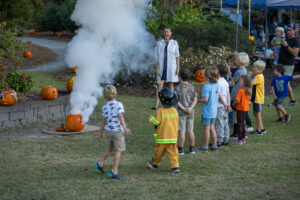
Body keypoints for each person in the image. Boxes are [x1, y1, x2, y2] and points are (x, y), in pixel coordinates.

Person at [94, 85, 132, 180]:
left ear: (105, 96)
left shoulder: (104, 107)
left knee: (110, 149)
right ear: (115, 93)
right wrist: (125, 128)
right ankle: (114, 171)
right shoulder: (119, 104)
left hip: (109, 131)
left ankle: (100, 163)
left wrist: (100, 133)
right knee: (118, 151)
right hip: (117, 132)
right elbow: (120, 116)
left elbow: (103, 120)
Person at [197, 66, 229, 152]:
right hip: (214, 111)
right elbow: (219, 96)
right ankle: (214, 145)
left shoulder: (206, 86)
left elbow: (205, 99)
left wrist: (197, 100)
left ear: (207, 76)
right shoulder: (216, 85)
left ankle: (205, 147)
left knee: (207, 129)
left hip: (207, 112)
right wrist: (225, 104)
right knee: (212, 128)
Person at [147, 88, 180, 173]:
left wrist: (151, 119)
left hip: (161, 137)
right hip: (172, 137)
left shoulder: (160, 111)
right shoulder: (175, 111)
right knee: (173, 153)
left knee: (158, 152)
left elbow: (157, 122)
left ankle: (155, 164)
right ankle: (175, 166)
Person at [152, 27, 180, 110]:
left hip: (171, 67)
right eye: (165, 32)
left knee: (170, 85)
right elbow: (156, 57)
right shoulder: (159, 43)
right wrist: (157, 68)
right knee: (159, 85)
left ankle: (171, 103)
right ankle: (156, 104)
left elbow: (177, 56)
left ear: (171, 33)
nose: (166, 33)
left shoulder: (174, 43)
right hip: (161, 67)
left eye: (168, 32)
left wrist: (178, 67)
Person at [276, 24, 300, 107]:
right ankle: (291, 100)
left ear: (294, 31)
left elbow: (295, 53)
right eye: (287, 30)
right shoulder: (285, 39)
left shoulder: (296, 41)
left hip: (288, 64)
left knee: (285, 82)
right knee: (283, 82)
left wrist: (286, 46)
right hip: (281, 63)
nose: (288, 32)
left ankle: (288, 100)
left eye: (290, 30)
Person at [175, 68, 197, 155]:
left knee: (182, 131)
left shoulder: (177, 88)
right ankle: (192, 148)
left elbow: (176, 101)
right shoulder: (192, 87)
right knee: (190, 130)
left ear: (180, 77)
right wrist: (190, 108)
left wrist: (184, 109)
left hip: (181, 113)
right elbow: (195, 99)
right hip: (190, 112)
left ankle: (180, 149)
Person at [230, 53, 251, 139]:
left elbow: (232, 82)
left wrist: (228, 72)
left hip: (236, 94)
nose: (235, 61)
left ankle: (236, 133)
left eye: (236, 59)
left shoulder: (238, 72)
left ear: (240, 61)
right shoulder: (245, 70)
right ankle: (241, 132)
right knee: (240, 116)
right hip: (242, 94)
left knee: (236, 115)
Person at [232, 75, 252, 144]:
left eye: (240, 81)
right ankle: (243, 138)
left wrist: (233, 103)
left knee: (240, 124)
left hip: (240, 109)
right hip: (245, 109)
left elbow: (237, 100)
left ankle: (240, 139)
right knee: (243, 124)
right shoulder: (248, 90)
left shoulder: (240, 91)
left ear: (244, 82)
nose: (239, 82)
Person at [215, 64, 231, 147]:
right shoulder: (225, 82)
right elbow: (228, 94)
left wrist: (225, 104)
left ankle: (219, 140)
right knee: (225, 122)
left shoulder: (217, 82)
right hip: (225, 106)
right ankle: (226, 138)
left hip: (219, 106)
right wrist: (228, 104)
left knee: (219, 123)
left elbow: (219, 95)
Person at [249, 60, 266, 135]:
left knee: (257, 114)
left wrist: (248, 75)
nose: (252, 69)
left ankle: (259, 130)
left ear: (259, 69)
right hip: (256, 98)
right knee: (255, 112)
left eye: (254, 67)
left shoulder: (258, 77)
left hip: (258, 98)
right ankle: (262, 128)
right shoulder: (258, 76)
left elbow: (249, 83)